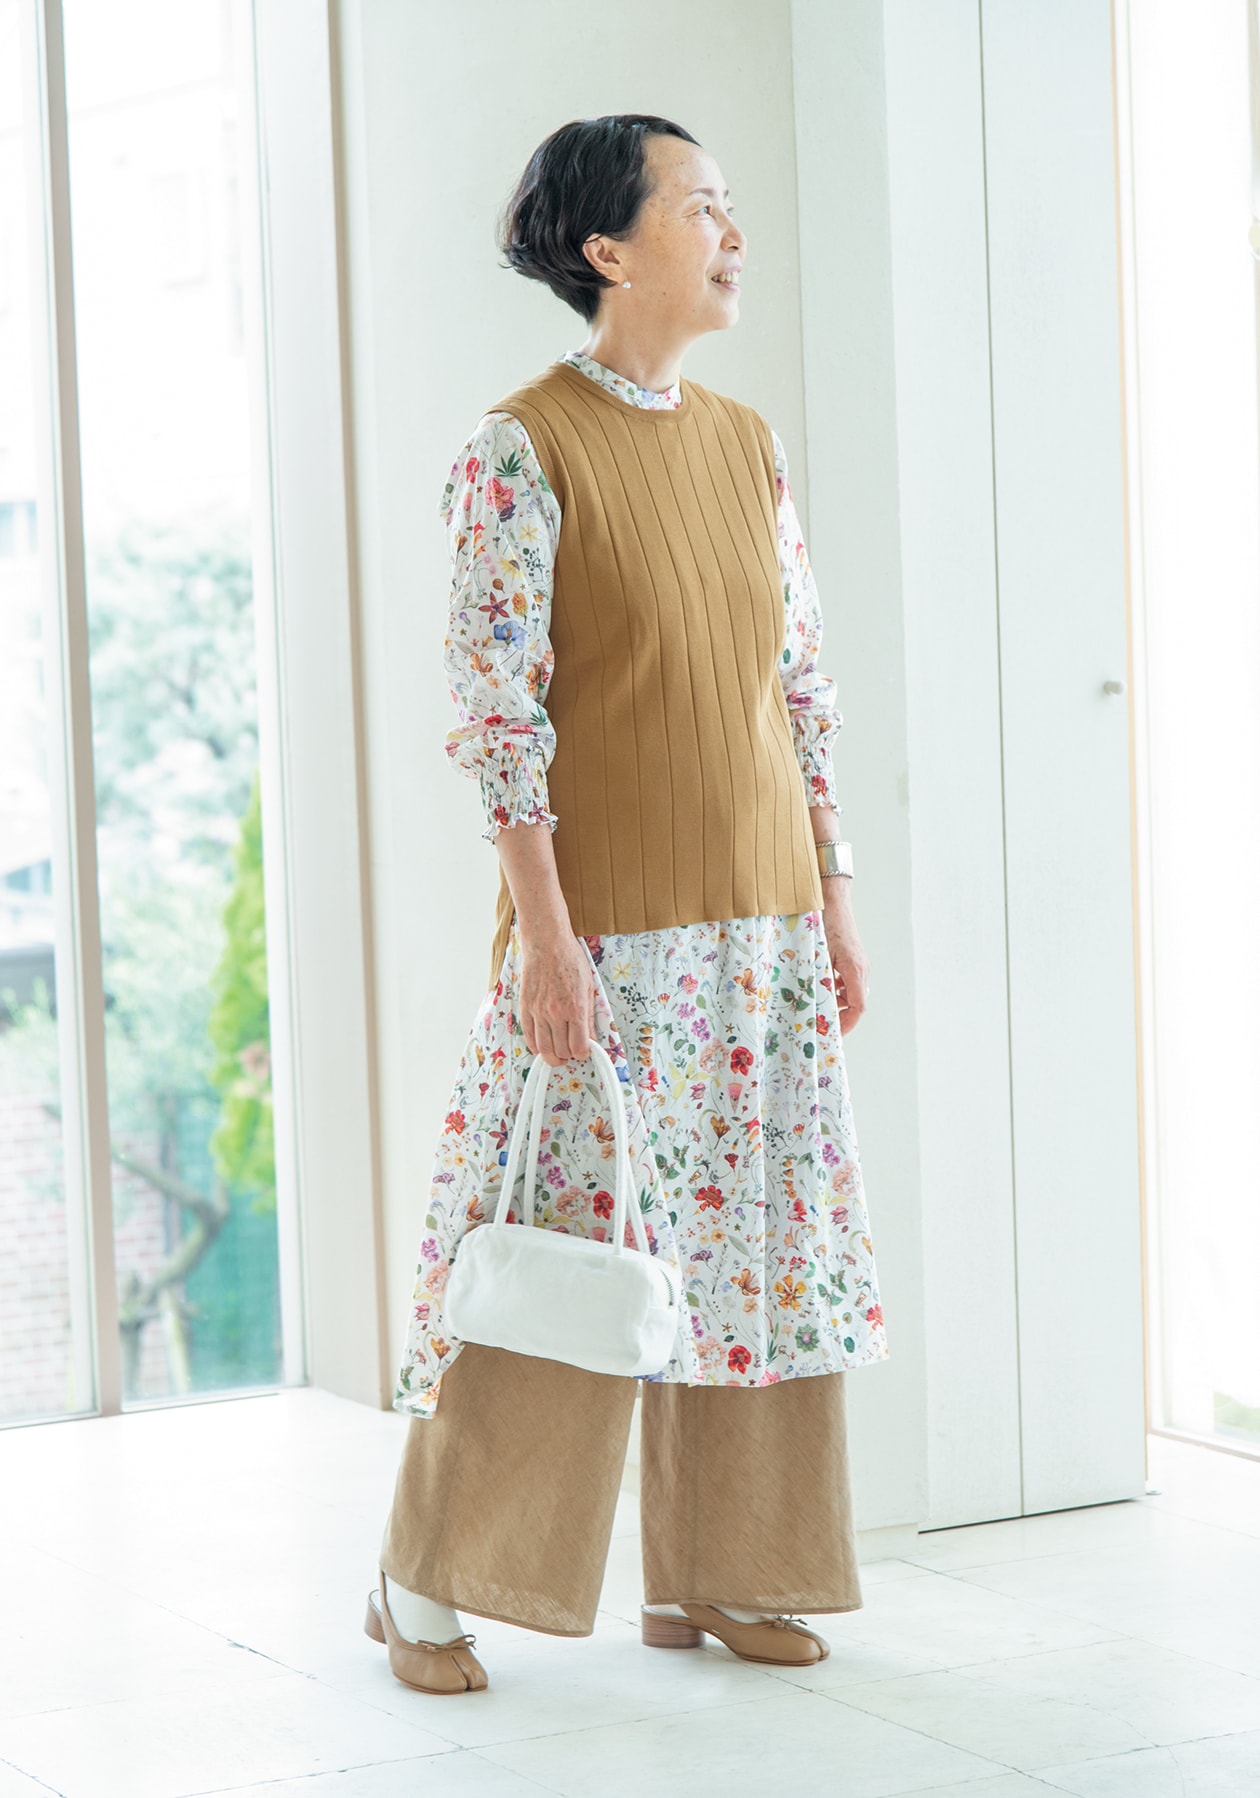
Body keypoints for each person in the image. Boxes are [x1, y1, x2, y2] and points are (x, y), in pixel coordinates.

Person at [366, 114, 889, 1696]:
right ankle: (426, 1580)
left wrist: (834, 893)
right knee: (562, 1250)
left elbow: (801, 689)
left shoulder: (747, 444)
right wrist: (543, 933)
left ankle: (724, 1571)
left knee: (761, 1248)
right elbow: (498, 715)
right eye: (702, 206)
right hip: (606, 932)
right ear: (609, 247)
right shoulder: (517, 450)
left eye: (730, 206)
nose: (733, 233)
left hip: (765, 921)